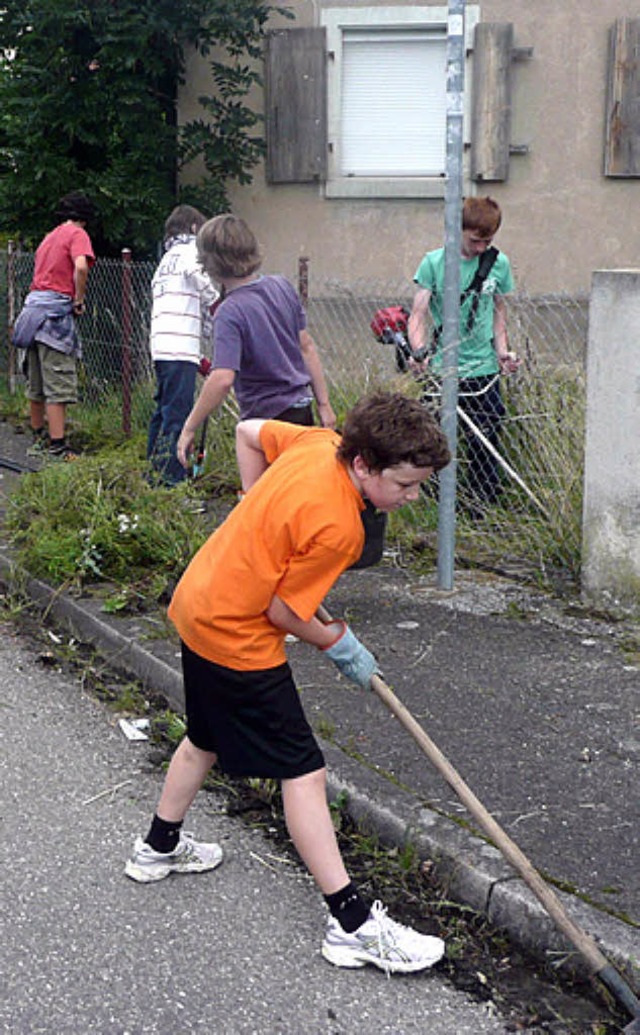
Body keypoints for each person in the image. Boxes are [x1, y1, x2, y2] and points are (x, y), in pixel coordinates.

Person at [125, 391, 451, 974]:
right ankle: (351, 924)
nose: (412, 497)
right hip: (236, 634)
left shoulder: (317, 443)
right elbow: (282, 613)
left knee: (205, 736)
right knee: (303, 770)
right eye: (405, 485)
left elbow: (249, 431)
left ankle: (157, 847)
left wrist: (254, 511)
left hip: (198, 602)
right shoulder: (341, 529)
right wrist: (340, 645)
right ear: (365, 465)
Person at [176, 214, 336, 471]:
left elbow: (222, 378)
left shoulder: (229, 311)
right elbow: (307, 347)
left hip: (266, 421)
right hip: (301, 411)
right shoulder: (282, 287)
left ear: (209, 262)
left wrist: (189, 427)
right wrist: (324, 405)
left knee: (264, 499)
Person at [408, 196, 519, 510]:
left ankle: (481, 504)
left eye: (488, 241)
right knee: (432, 439)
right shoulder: (434, 263)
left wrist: (502, 353)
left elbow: (499, 313)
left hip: (483, 369)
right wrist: (419, 352)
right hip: (444, 367)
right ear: (458, 231)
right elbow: (418, 315)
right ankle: (432, 500)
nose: (482, 247)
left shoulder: (498, 263)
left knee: (486, 438)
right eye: (475, 240)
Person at [12, 191, 97, 461]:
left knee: (35, 381)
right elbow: (81, 267)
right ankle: (58, 446)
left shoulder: (49, 238)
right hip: (54, 316)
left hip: (31, 314)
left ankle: (37, 438)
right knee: (57, 383)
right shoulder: (77, 234)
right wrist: (78, 300)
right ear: (85, 217)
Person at [147, 205, 219, 486]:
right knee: (178, 417)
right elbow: (199, 280)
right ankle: (172, 483)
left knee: (162, 413)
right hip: (180, 349)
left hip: (162, 347)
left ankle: (154, 471)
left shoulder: (166, 260)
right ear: (192, 229)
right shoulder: (190, 254)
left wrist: (200, 358)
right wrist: (217, 305)